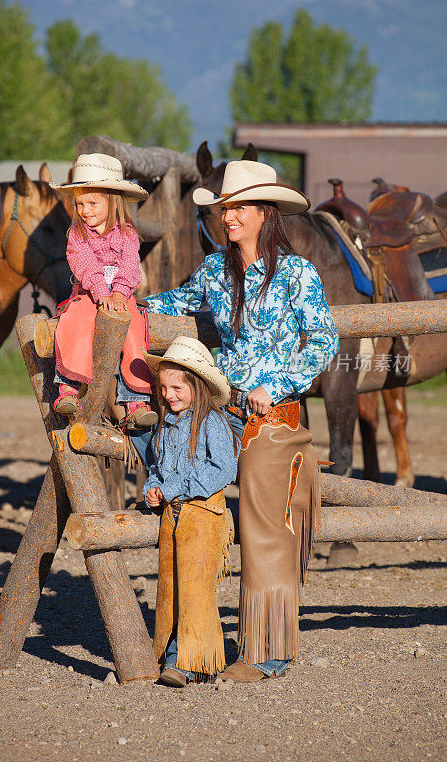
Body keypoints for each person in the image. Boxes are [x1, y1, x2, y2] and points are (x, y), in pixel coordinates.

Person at [143, 160, 339, 682]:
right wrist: (121, 303)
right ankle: (189, 643)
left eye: (238, 208)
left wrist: (274, 386)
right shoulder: (214, 271)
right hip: (220, 416)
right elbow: (168, 302)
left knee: (264, 532)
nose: (228, 217)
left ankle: (265, 649)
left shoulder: (298, 275)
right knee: (195, 517)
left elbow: (324, 340)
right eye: (225, 208)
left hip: (272, 417)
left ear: (263, 214)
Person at [142, 336, 239, 687]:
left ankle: (186, 660)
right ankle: (170, 652)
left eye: (178, 387)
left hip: (203, 515)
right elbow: (157, 468)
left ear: (197, 386)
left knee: (195, 589)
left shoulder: (212, 423)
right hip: (174, 516)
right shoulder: (164, 426)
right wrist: (152, 488)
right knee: (168, 587)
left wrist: (173, 488)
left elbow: (225, 470)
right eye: (164, 387)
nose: (170, 395)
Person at [49, 153, 157, 426]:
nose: (85, 210)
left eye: (93, 203)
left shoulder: (128, 234)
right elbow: (84, 263)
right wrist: (101, 292)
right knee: (76, 322)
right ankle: (69, 388)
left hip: (121, 295)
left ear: (113, 201)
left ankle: (136, 400)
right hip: (89, 292)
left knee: (134, 331)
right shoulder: (77, 234)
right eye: (80, 204)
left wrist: (120, 293)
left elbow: (131, 265)